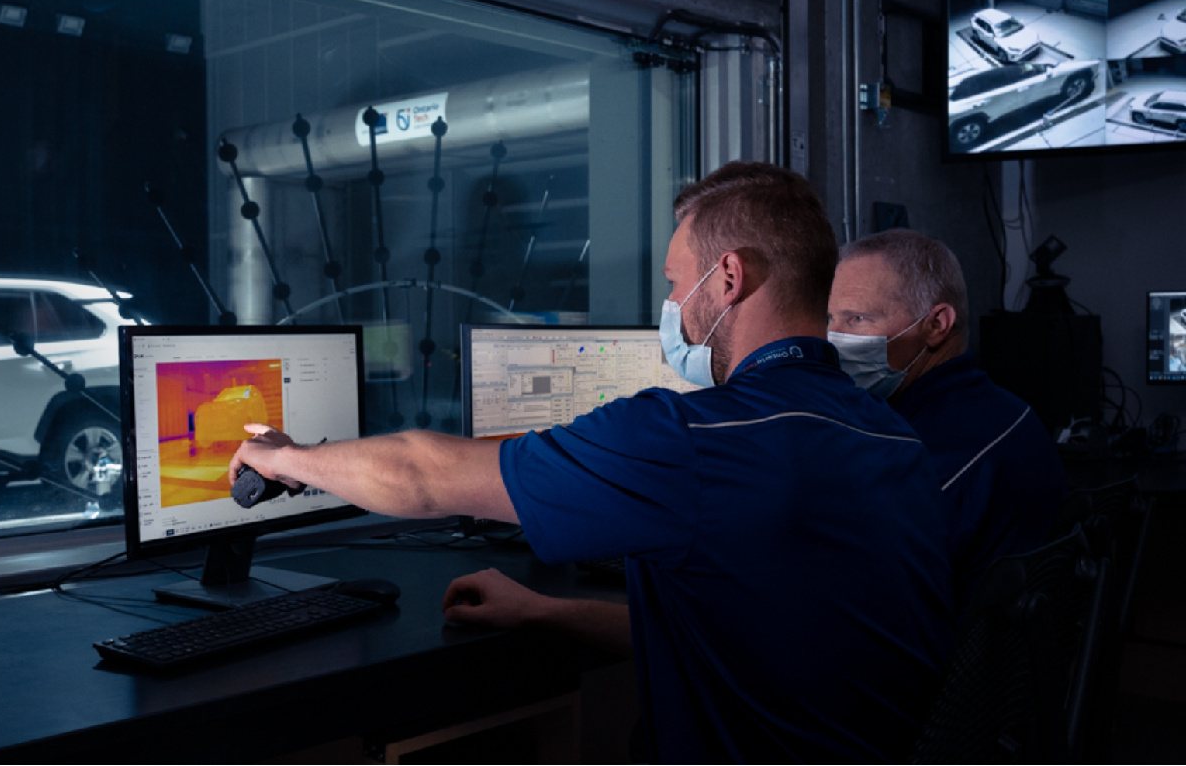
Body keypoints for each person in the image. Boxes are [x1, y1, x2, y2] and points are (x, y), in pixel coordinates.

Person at [233, 162, 954, 763]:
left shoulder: (699, 437)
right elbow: (743, 636)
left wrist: (291, 457)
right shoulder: (893, 437)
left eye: (675, 284)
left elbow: (422, 475)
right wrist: (542, 611)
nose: (671, 305)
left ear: (728, 278)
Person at [827, 229, 1065, 613]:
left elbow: (854, 591)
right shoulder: (999, 409)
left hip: (937, 663)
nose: (832, 339)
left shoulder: (941, 456)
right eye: (829, 319)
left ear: (937, 324)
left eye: (857, 319)